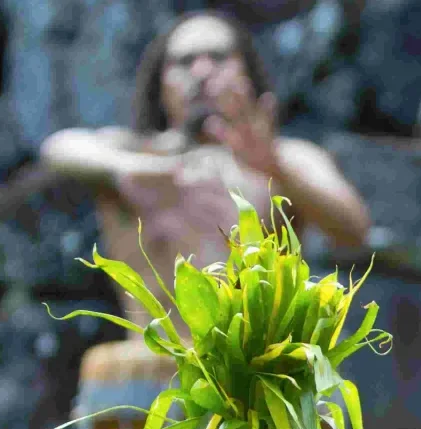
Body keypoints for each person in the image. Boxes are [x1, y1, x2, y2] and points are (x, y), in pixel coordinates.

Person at [38, 10, 372, 336]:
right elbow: (58, 147)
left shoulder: (288, 157)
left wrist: (275, 169)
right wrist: (136, 171)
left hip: (255, 378)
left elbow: (355, 232)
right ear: (160, 81)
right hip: (146, 369)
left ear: (247, 71)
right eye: (183, 61)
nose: (200, 71)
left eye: (218, 56)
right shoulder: (128, 153)